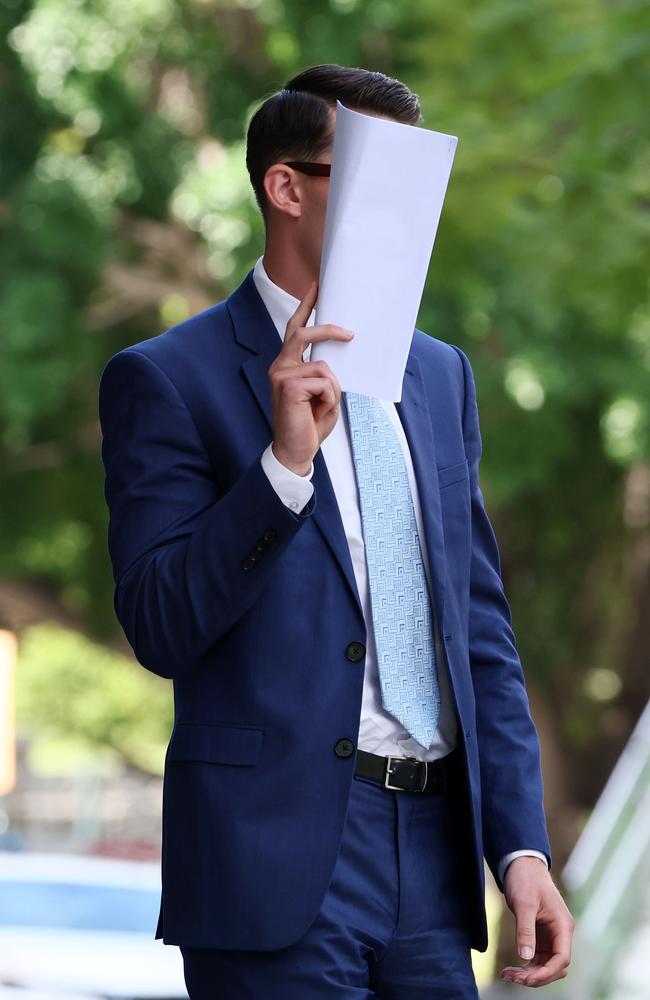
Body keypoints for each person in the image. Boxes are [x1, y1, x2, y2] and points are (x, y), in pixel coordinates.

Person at [98, 64, 574, 998]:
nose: (406, 215)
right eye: (377, 181)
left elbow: (479, 635)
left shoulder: (439, 377)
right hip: (271, 861)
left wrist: (519, 846)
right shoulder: (168, 378)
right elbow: (158, 623)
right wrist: (281, 472)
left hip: (434, 868)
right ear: (286, 186)